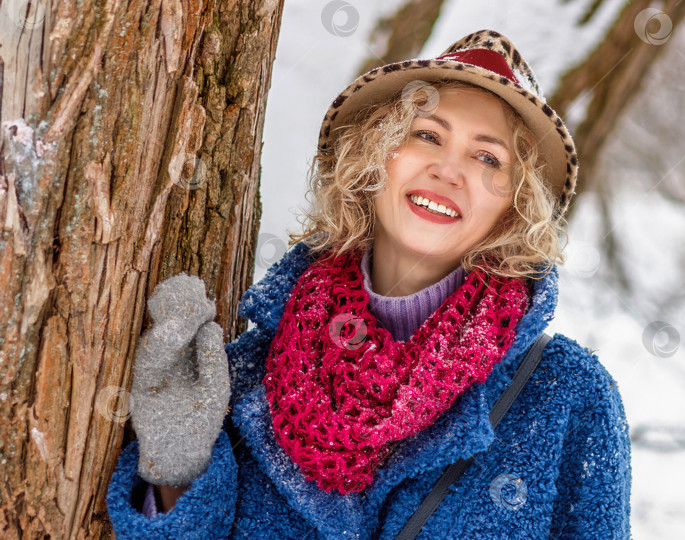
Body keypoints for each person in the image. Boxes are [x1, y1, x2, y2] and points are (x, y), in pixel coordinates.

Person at [105, 29, 632, 539]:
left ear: (513, 208)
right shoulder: (247, 378)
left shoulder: (568, 397)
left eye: (487, 156)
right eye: (427, 135)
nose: (449, 170)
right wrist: (175, 472)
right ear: (373, 159)